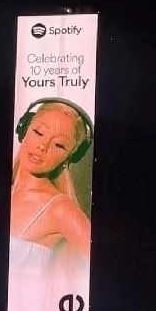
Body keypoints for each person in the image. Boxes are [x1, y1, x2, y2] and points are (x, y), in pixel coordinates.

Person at [9, 99, 93, 272]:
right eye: (39, 132)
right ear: (23, 129)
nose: (43, 146)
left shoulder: (59, 208)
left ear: (69, 158)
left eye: (59, 145)